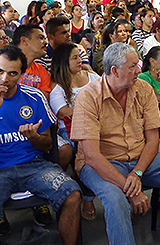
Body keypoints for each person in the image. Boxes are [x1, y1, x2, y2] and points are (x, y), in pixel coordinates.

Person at [70, 42, 160, 245]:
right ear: (114, 70)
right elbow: (91, 155)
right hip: (101, 163)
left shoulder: (143, 89)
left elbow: (152, 140)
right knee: (116, 200)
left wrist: (137, 173)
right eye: (132, 66)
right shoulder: (88, 96)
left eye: (137, 65)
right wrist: (130, 188)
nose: (138, 71)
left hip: (140, 159)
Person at [0, 46, 81, 245]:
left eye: (13, 73)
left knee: (72, 195)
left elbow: (48, 144)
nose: (5, 78)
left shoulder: (35, 97)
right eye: (0, 71)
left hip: (33, 165)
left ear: (21, 74)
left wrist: (34, 137)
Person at [49, 42, 100, 221]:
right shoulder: (59, 86)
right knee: (85, 152)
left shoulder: (92, 77)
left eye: (80, 56)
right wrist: (90, 109)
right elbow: (62, 112)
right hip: (70, 131)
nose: (80, 60)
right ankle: (88, 198)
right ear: (64, 61)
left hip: (96, 127)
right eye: (75, 57)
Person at [0, 24, 52, 100]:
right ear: (24, 40)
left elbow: (41, 103)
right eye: (41, 38)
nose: (46, 42)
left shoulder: (42, 71)